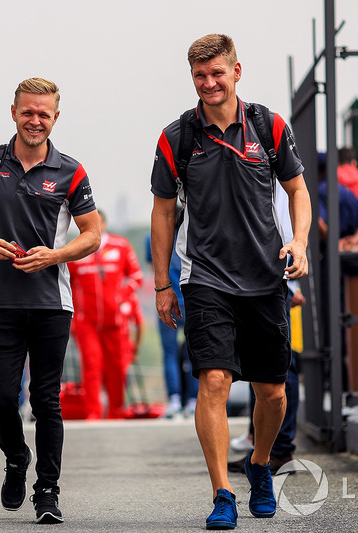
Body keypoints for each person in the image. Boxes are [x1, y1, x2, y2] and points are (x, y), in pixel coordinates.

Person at [150, 34, 311, 529]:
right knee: (214, 380)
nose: (209, 83)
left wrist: (299, 242)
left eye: (217, 73)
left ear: (236, 72)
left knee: (273, 393)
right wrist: (162, 284)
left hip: (266, 278)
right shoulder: (177, 137)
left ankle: (259, 464)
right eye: (200, 75)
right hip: (206, 278)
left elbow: (298, 189)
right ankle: (222, 492)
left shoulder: (268, 126)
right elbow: (162, 213)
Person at [0, 77, 100, 524]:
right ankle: (17, 458)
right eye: (28, 111)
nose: (35, 120)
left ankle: (48, 490)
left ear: (56, 117)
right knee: (0, 398)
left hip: (52, 304)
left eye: (44, 113)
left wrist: (55, 255)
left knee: (46, 400)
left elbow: (93, 235)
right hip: (0, 302)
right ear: (14, 112)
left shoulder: (71, 170)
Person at [228, 182, 306, 475]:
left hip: (276, 274)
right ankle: (260, 446)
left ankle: (280, 450)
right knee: (258, 366)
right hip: (257, 273)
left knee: (282, 367)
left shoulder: (273, 152)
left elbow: (284, 223)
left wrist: (291, 282)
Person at [67, 211, 143, 419]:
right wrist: (72, 318)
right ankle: (93, 412)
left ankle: (116, 412)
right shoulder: (76, 249)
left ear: (105, 223)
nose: (94, 226)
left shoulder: (121, 246)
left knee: (117, 367)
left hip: (116, 321)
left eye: (97, 222)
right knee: (91, 367)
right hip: (86, 321)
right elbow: (67, 286)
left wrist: (121, 297)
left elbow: (136, 277)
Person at [144, 208, 198, 419]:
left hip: (167, 299)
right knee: (192, 353)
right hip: (191, 300)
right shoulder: (192, 233)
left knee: (169, 353)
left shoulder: (152, 236)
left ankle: (175, 400)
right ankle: (193, 401)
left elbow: (153, 267)